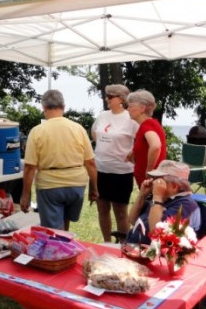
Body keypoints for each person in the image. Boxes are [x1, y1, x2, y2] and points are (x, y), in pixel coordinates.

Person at [21, 89, 98, 231]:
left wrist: (26, 195)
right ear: (64, 107)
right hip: (76, 185)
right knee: (65, 225)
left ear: (44, 108)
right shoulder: (78, 128)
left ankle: (58, 249)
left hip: (49, 186)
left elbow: (30, 167)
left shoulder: (37, 131)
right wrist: (94, 188)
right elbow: (90, 163)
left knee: (53, 231)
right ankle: (65, 248)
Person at [90, 84, 139, 242]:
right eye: (106, 96)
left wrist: (133, 152)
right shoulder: (103, 115)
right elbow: (94, 132)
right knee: (102, 209)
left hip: (121, 172)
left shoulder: (130, 119)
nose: (107, 99)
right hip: (101, 169)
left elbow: (142, 140)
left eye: (110, 96)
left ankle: (123, 244)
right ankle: (106, 242)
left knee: (120, 212)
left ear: (121, 99)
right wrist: (104, 146)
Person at [126, 160, 201, 245]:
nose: (153, 183)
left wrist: (157, 196)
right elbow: (132, 219)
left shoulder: (186, 205)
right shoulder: (162, 198)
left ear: (174, 186)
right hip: (132, 247)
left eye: (159, 180)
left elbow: (156, 232)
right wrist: (142, 195)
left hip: (154, 254)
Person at [126, 89, 166, 188]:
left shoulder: (147, 125)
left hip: (151, 185)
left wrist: (149, 170)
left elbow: (156, 146)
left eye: (130, 106)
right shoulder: (149, 125)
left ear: (142, 108)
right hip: (148, 185)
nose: (128, 109)